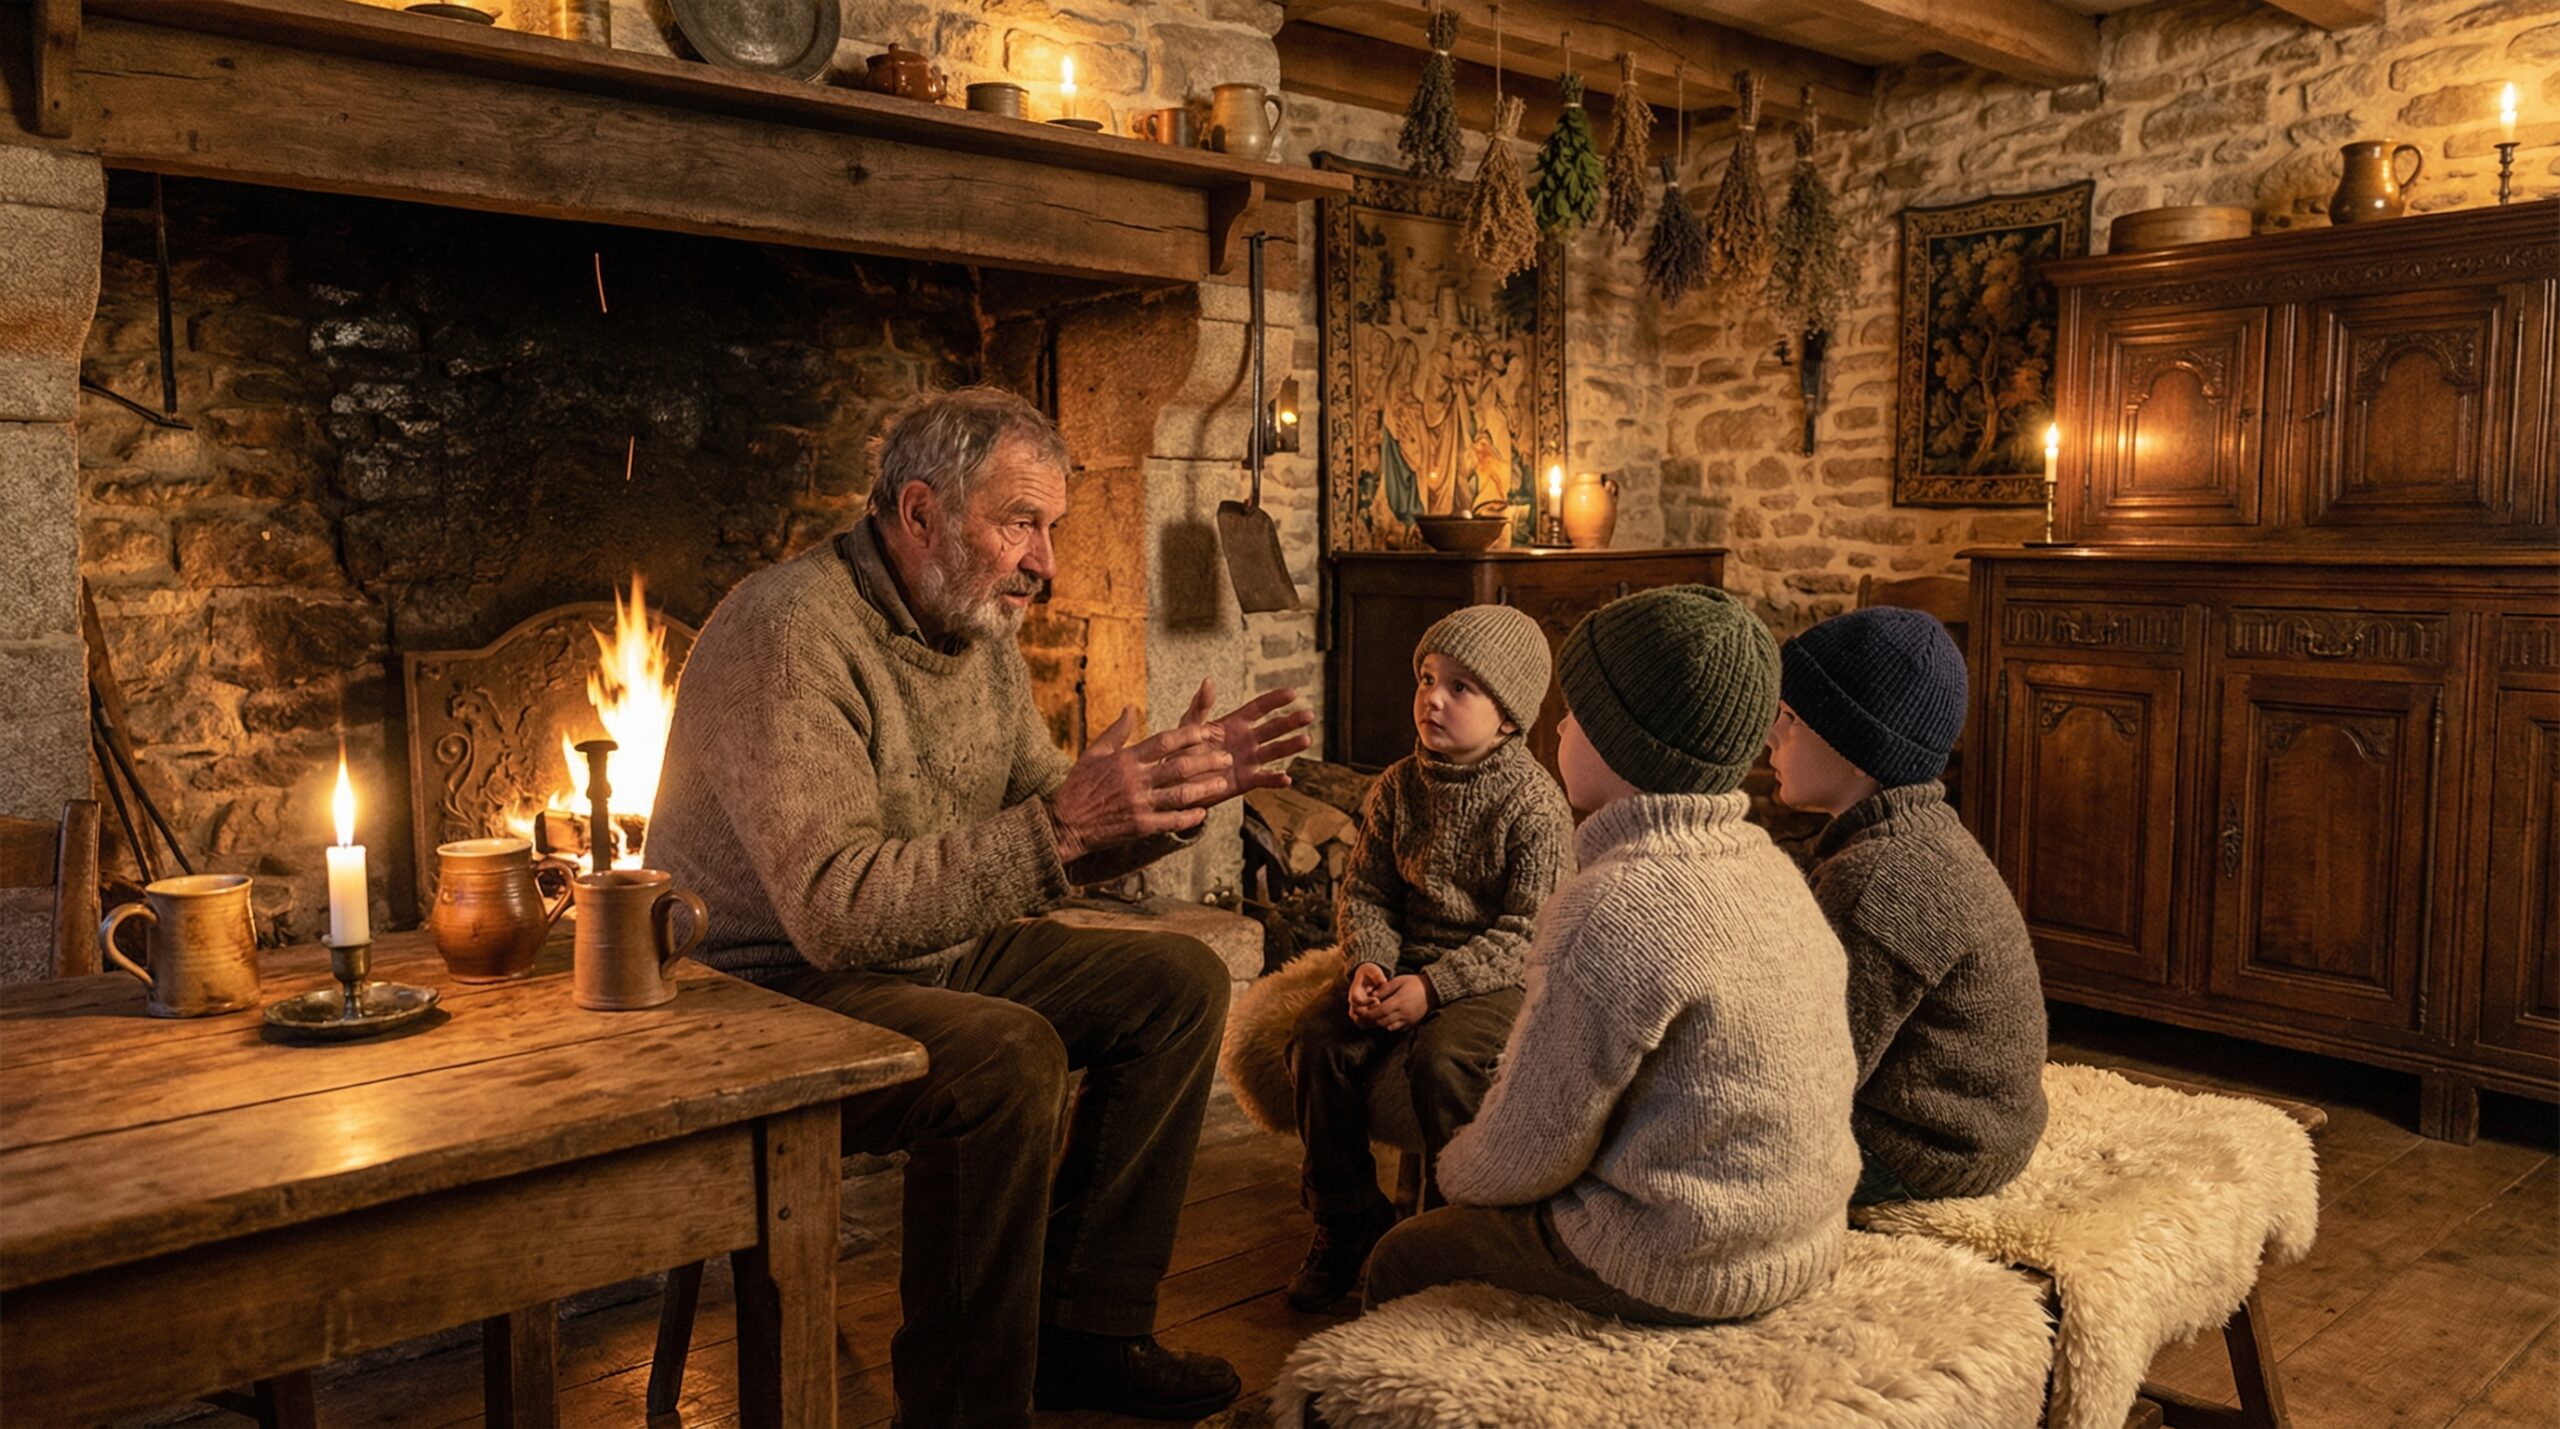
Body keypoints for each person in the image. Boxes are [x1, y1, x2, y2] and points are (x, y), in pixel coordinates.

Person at [647, 386, 1312, 1426]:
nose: (1045, 560)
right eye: (1020, 525)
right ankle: (965, 1407)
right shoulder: (786, 635)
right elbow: (834, 909)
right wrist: (1062, 828)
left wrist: (1160, 803)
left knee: (1178, 982)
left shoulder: (973, 628)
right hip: (761, 991)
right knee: (1004, 1057)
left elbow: (1038, 809)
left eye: (1050, 528)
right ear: (918, 515)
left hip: (917, 957)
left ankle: (1088, 1333)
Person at [1362, 586, 1860, 1327]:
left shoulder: (1613, 906)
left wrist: (1454, 1174)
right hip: (1803, 1234)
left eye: (1579, 711)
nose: (1559, 722)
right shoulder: (1771, 869)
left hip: (1682, 1259)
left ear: (1626, 743)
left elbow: (1532, 1149)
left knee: (1402, 1254)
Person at [1284, 605, 1574, 1311]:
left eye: (1460, 687)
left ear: (1508, 717)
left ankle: (1460, 1231)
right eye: (1425, 677)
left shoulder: (1534, 804)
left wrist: (1434, 988)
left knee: (1444, 1060)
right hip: (1405, 964)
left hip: (1493, 979)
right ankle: (1347, 1216)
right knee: (1317, 1038)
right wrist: (1369, 967)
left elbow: (1525, 932)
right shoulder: (1397, 787)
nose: (1431, 698)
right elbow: (1366, 893)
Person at [1769, 606, 2047, 1204]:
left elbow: (1816, 1072)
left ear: (1853, 741)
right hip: (1979, 1129)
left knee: (1678, 1155)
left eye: (1789, 718)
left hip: (1931, 1148)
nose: (1771, 735)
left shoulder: (1880, 877)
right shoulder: (1913, 834)